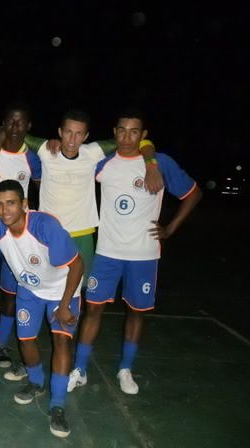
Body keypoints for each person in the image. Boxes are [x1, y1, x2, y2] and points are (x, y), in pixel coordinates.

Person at [0, 109, 162, 383]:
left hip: (81, 238)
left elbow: (133, 140)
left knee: (73, 303)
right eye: (67, 132)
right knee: (35, 295)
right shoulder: (45, 149)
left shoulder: (93, 153)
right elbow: (10, 129)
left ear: (86, 136)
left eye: (79, 134)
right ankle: (28, 362)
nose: (71, 139)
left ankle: (70, 367)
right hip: (45, 238)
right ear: (59, 132)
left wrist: (150, 162)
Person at [67, 109, 201, 395]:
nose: (127, 137)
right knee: (93, 309)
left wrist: (170, 228)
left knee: (136, 313)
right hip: (107, 252)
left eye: (134, 132)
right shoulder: (102, 163)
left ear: (143, 135)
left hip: (144, 255)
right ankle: (80, 369)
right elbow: (70, 157)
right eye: (122, 130)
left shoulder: (160, 163)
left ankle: (125, 370)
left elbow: (193, 193)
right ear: (114, 132)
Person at [0, 180, 84, 438]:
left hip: (62, 289)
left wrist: (64, 305)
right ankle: (36, 382)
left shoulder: (45, 226)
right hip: (30, 290)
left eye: (11, 203)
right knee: (26, 340)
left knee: (61, 341)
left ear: (24, 204)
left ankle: (58, 405)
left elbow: (77, 265)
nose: (5, 210)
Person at [0, 105, 41, 370]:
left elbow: (41, 190)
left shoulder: (33, 158)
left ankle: (1, 344)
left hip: (16, 234)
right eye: (11, 122)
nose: (15, 127)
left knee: (10, 293)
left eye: (21, 122)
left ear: (29, 127)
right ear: (3, 124)